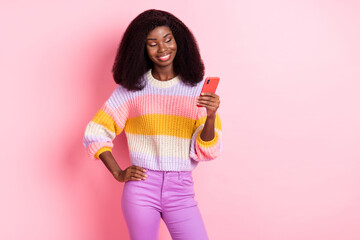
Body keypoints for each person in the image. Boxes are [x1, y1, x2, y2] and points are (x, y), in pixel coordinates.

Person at [83, 9, 222, 240]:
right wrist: (118, 172)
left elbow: (206, 150)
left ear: (179, 42)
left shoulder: (197, 90)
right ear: (142, 48)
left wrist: (210, 116)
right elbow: (96, 132)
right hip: (141, 188)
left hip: (181, 190)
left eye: (168, 40)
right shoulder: (131, 90)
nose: (163, 48)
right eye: (152, 43)